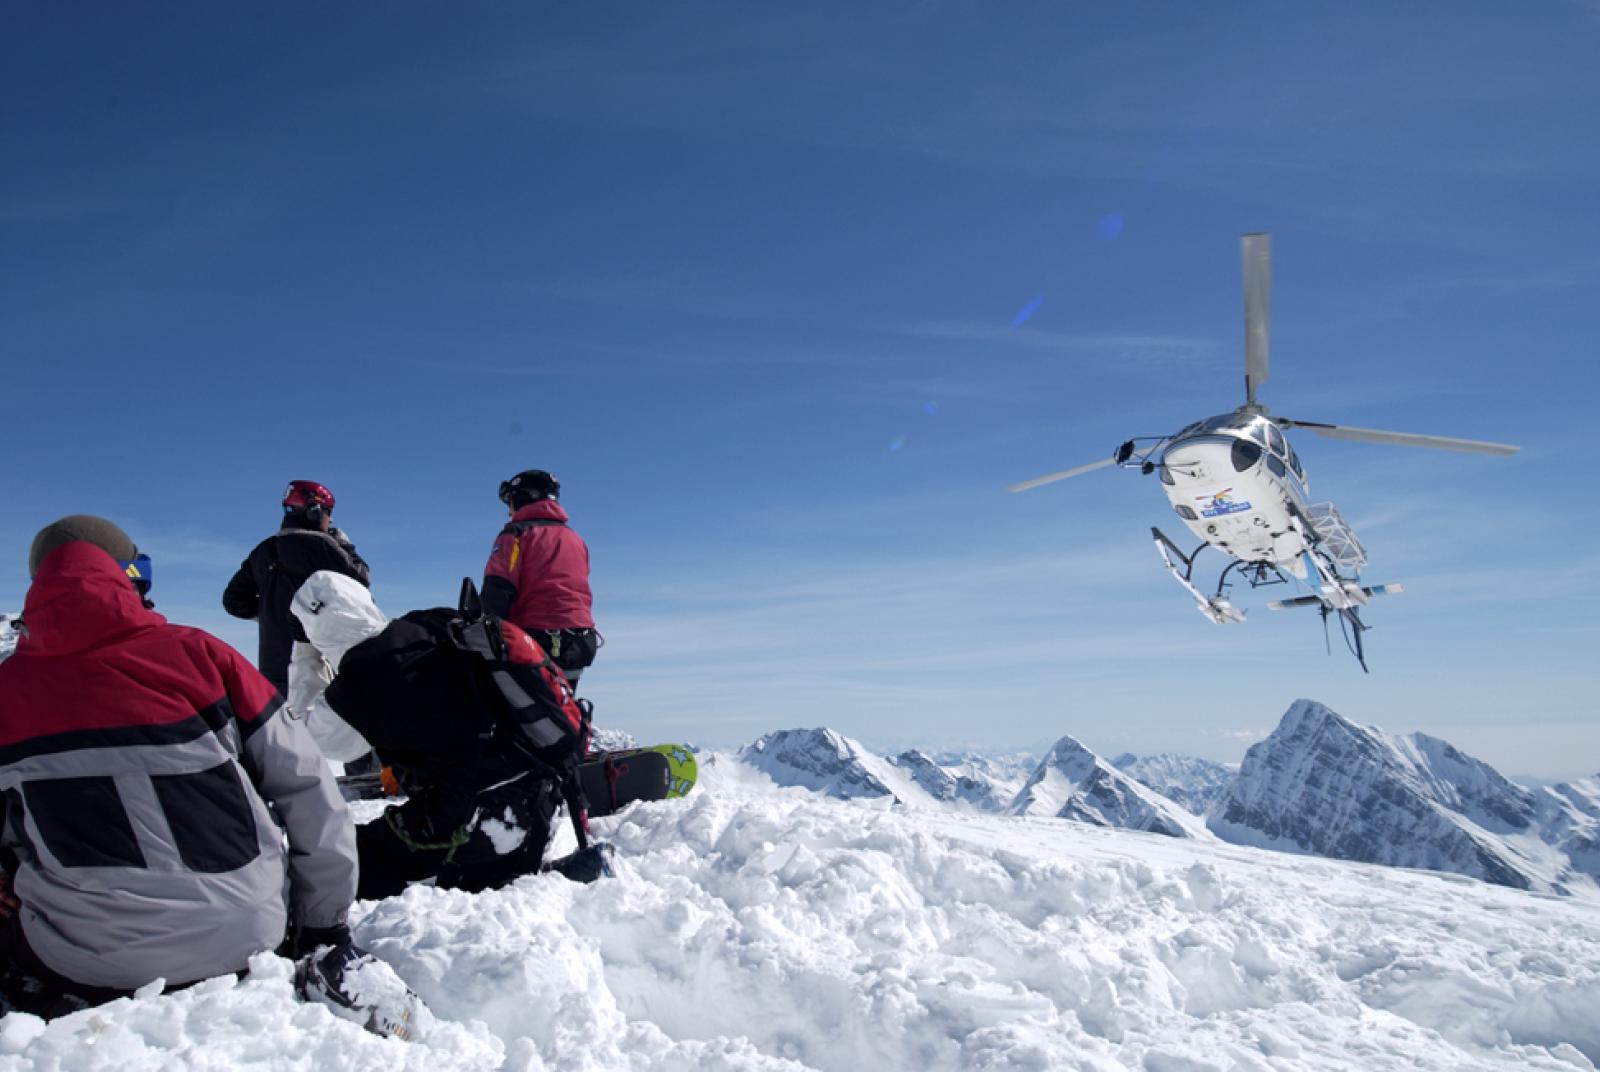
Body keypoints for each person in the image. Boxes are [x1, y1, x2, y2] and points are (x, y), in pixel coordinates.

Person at [0, 516, 360, 1017]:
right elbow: (310, 791)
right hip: (248, 936)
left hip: (83, 958)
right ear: (130, 577)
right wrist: (323, 924)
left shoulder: (7, 690)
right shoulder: (205, 657)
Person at [289, 570, 603, 898]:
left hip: (464, 820)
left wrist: (304, 658)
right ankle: (511, 878)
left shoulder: (355, 684)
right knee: (482, 875)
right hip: (537, 800)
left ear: (315, 628)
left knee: (336, 864)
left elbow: (303, 737)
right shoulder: (431, 625)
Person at [222, 480, 370, 696]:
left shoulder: (264, 551)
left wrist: (270, 613)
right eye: (328, 513)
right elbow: (361, 579)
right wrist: (344, 545)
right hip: (319, 670)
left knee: (284, 728)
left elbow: (234, 601)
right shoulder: (323, 546)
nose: (330, 521)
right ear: (315, 511)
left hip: (274, 672)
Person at [482, 469, 600, 690]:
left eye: (510, 502)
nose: (509, 511)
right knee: (557, 709)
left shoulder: (516, 534)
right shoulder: (574, 539)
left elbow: (498, 588)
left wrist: (484, 630)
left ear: (522, 498)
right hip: (578, 641)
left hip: (532, 640)